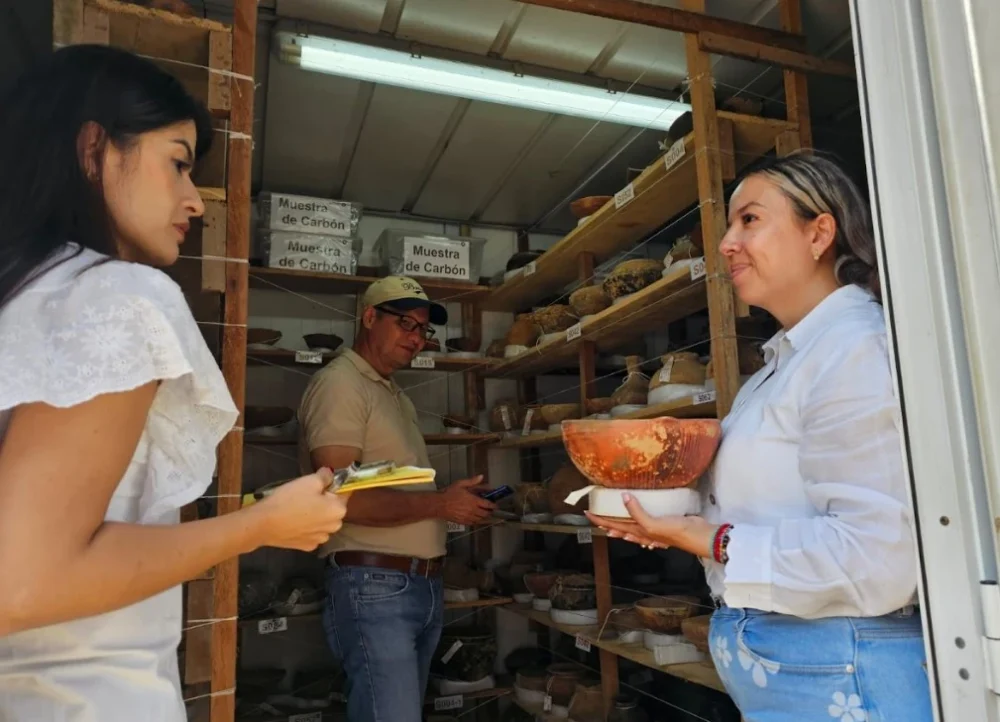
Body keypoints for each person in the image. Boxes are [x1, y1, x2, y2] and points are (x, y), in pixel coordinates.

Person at [0, 45, 347, 722]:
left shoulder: (28, 292)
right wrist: (260, 526)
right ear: (94, 148)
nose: (196, 201)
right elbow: (23, 579)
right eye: (178, 163)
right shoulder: (116, 297)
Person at [590, 152, 932, 721]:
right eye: (730, 225)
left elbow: (878, 556)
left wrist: (709, 540)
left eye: (749, 220)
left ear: (820, 232)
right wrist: (662, 514)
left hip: (848, 670)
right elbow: (770, 504)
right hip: (803, 672)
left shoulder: (854, 351)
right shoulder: (784, 363)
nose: (726, 243)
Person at [298, 276, 496, 722]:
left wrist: (447, 498)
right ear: (370, 317)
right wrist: (441, 505)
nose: (416, 338)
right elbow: (338, 496)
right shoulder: (342, 384)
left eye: (424, 330)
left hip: (414, 586)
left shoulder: (388, 390)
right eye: (406, 323)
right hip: (375, 586)